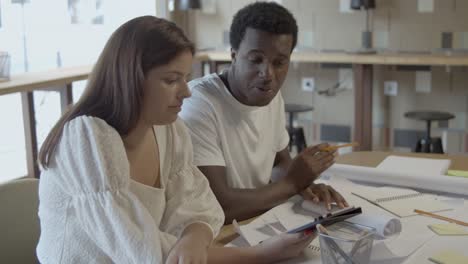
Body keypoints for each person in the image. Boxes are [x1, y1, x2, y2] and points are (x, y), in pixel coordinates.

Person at [36, 16, 315, 263]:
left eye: (186, 78)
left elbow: (201, 205)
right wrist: (260, 254)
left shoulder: (170, 129)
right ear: (129, 78)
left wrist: (195, 234)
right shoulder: (87, 138)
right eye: (171, 80)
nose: (186, 92)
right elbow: (144, 253)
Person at [180, 2, 348, 224]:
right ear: (233, 55)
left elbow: (280, 163)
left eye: (279, 62)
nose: (267, 74)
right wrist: (292, 184)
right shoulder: (198, 104)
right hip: (212, 235)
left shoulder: (270, 95)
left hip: (255, 221)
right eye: (256, 59)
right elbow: (218, 205)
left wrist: (306, 186)